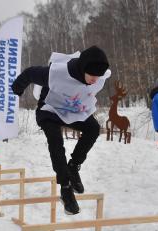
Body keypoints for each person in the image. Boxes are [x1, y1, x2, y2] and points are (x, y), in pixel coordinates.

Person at [12, 46, 111, 215]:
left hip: (72, 110)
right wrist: (17, 88)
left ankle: (73, 166)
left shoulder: (98, 78)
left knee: (93, 128)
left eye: (98, 76)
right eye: (92, 75)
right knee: (56, 140)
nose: (95, 80)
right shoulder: (56, 73)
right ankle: (65, 189)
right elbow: (29, 73)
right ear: (83, 69)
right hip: (49, 110)